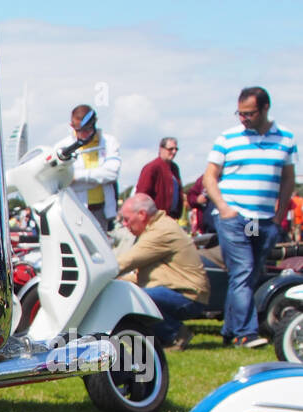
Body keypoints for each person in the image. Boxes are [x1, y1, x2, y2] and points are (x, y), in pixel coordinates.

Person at [203, 86, 297, 346]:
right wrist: (224, 207)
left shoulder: (286, 138)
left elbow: (288, 179)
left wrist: (279, 215)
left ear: (265, 109)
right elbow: (209, 176)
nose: (243, 118)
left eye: (249, 113)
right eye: (240, 113)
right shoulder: (227, 138)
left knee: (250, 273)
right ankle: (246, 333)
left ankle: (230, 331)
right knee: (242, 271)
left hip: (262, 220)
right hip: (236, 217)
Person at [115, 193, 209, 351]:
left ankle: (176, 334)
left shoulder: (161, 231)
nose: (124, 224)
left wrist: (98, 274)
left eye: (126, 219)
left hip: (187, 296)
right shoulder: (158, 227)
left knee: (136, 297)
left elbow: (126, 262)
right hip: (178, 291)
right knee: (125, 291)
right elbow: (141, 277)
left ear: (142, 215)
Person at [55, 105, 121, 232]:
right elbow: (61, 180)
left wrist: (76, 176)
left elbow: (112, 173)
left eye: (87, 129)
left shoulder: (109, 142)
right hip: (75, 211)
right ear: (71, 125)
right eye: (78, 130)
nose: (83, 134)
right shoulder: (62, 146)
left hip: (101, 211)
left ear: (94, 123)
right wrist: (98, 177)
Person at [135, 137, 182, 221]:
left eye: (176, 149)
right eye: (170, 149)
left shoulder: (174, 168)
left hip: (171, 217)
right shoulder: (152, 168)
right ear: (161, 149)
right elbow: (142, 194)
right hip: (155, 218)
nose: (174, 152)